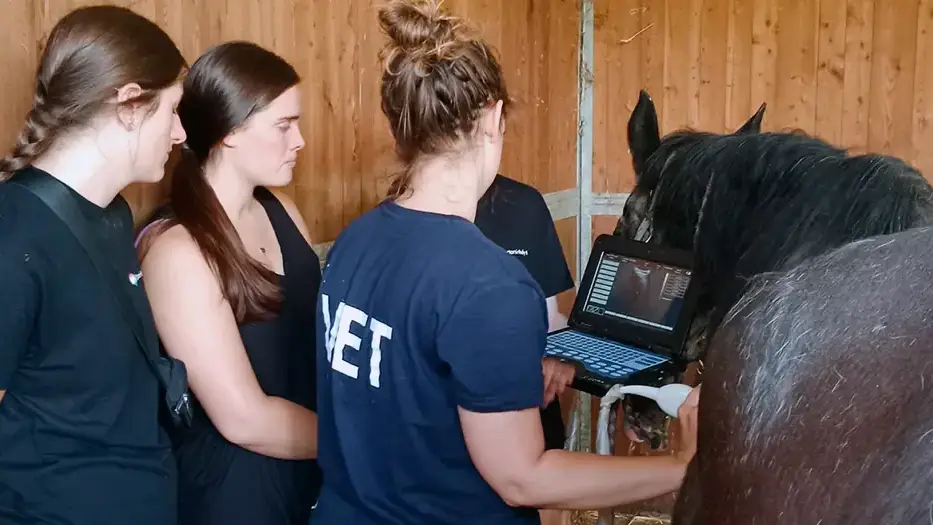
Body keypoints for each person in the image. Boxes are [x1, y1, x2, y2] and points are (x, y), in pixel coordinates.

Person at [313, 1, 700, 524]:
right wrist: (681, 467)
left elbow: (406, 392)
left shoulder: (354, 242)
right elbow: (522, 479)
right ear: (493, 119)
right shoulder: (490, 284)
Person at [0, 6, 187, 525]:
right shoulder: (13, 234)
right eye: (173, 111)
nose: (179, 134)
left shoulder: (113, 213)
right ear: (129, 104)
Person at [136, 41, 321, 525]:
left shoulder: (283, 211)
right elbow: (243, 419)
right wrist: (363, 439)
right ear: (231, 130)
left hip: (311, 466)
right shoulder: (176, 249)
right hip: (237, 490)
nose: (300, 140)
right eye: (284, 125)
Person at [474, 175, 577, 525]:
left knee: (550, 494)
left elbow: (548, 316)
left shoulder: (523, 203)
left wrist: (570, 352)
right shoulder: (415, 215)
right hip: (465, 403)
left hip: (528, 394)